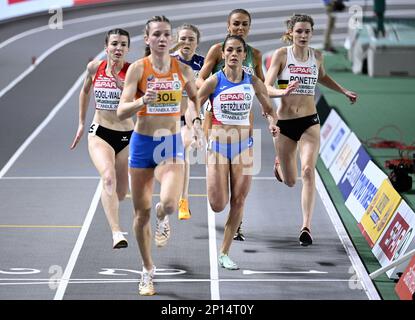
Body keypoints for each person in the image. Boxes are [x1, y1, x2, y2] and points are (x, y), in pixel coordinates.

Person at [117, 16, 203, 296]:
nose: (163, 39)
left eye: (167, 34)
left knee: (167, 203)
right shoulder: (137, 70)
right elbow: (121, 111)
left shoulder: (182, 70)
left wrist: (197, 121)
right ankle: (147, 270)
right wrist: (143, 100)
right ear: (147, 38)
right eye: (157, 34)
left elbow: (194, 97)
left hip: (169, 143)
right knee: (140, 214)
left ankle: (163, 216)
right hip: (142, 144)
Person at [264, 14, 357, 246]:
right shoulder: (282, 55)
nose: (303, 35)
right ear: (291, 33)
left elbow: (322, 76)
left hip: (309, 121)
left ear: (312, 33)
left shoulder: (317, 56)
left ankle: (306, 226)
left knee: (307, 170)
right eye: (299, 31)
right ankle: (280, 163)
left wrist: (343, 91)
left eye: (307, 31)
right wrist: (282, 92)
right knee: (290, 181)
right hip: (285, 124)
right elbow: (265, 87)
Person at [198, 34, 278, 270]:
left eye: (238, 50)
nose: (233, 54)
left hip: (244, 146)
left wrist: (272, 122)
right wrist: (194, 121)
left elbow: (268, 108)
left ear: (245, 55)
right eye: (229, 50)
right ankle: (214, 183)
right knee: (217, 204)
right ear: (223, 55)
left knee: (239, 200)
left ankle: (224, 252)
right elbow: (194, 101)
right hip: (219, 145)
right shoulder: (214, 81)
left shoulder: (253, 81)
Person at [197, 8, 264, 241]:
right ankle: (216, 178)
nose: (240, 28)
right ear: (228, 26)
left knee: (239, 184)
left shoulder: (255, 55)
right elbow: (201, 76)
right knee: (218, 196)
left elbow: (262, 86)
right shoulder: (217, 49)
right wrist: (205, 91)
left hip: (244, 117)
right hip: (214, 117)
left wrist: (274, 101)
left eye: (245, 24)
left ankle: (237, 223)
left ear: (250, 27)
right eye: (236, 24)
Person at [70, 28, 133, 250]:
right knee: (107, 178)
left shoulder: (132, 71)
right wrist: (80, 122)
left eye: (123, 44)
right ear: (106, 47)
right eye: (114, 44)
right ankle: (116, 233)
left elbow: (136, 98)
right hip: (100, 132)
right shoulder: (94, 67)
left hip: (127, 136)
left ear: (128, 48)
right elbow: (85, 91)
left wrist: (118, 81)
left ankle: (112, 206)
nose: (118, 48)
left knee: (121, 192)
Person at [170, 24, 205, 221]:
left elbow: (195, 100)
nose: (187, 42)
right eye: (183, 38)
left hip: (190, 115)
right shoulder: (169, 60)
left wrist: (197, 128)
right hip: (166, 115)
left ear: (197, 43)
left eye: (191, 39)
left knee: (183, 152)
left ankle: (184, 200)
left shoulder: (201, 63)